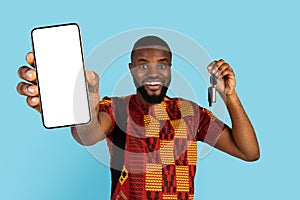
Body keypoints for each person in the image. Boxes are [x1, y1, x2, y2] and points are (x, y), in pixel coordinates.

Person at [17, 36, 260, 200]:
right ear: (131, 68)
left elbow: (249, 152)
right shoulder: (116, 108)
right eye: (143, 65)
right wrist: (86, 110)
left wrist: (230, 96)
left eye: (162, 65)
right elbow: (87, 135)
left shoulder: (191, 113)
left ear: (170, 69)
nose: (154, 73)